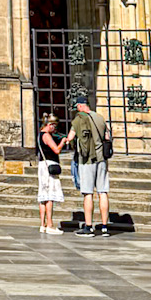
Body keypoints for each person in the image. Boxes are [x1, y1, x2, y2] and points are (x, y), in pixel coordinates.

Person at [66, 89, 112, 236]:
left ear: (80, 106)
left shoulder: (79, 119)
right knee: (103, 191)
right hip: (101, 159)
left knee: (88, 193)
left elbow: (70, 137)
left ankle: (89, 227)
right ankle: (105, 227)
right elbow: (107, 135)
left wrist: (66, 140)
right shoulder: (100, 117)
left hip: (87, 160)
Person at [35, 115, 64, 234]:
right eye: (54, 126)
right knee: (49, 196)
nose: (55, 129)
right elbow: (56, 150)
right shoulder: (46, 135)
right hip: (49, 165)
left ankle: (43, 224)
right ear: (50, 124)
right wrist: (63, 141)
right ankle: (50, 225)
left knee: (43, 196)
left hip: (42, 165)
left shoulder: (39, 135)